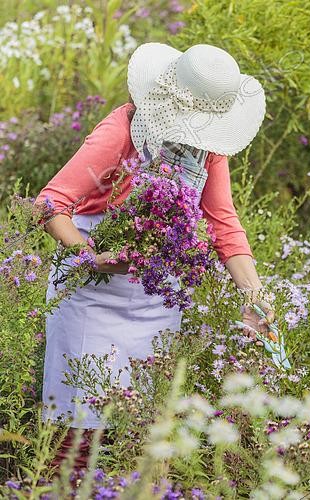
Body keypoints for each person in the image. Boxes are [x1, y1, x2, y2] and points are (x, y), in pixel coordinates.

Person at [34, 42, 274, 472]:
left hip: (156, 296)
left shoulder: (206, 147)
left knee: (146, 431)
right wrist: (91, 257)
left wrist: (254, 297)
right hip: (92, 294)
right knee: (80, 430)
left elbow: (224, 225)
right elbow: (51, 203)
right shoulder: (122, 131)